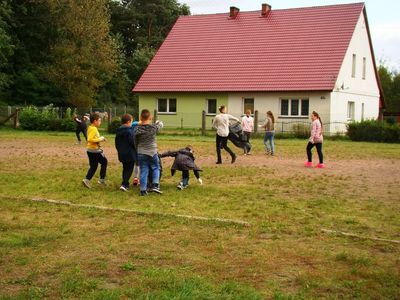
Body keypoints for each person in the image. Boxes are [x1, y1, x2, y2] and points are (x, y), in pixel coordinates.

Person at [134, 109, 163, 196]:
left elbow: (135, 142)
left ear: (140, 117)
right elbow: (161, 125)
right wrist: (158, 121)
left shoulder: (136, 129)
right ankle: (155, 184)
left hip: (141, 152)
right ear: (150, 117)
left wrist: (137, 150)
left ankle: (143, 190)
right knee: (156, 167)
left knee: (143, 170)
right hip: (152, 151)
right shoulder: (153, 127)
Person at [82, 113, 107, 188]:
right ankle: (101, 180)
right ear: (95, 121)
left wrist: (100, 138)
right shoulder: (94, 129)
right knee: (104, 162)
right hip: (95, 151)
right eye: (99, 120)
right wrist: (100, 139)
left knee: (93, 166)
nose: (100, 122)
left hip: (90, 150)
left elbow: (93, 138)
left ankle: (86, 180)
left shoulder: (90, 127)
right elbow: (89, 139)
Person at [115, 114, 137, 192]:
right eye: (131, 121)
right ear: (128, 122)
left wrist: (119, 150)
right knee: (129, 169)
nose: (131, 123)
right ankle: (124, 184)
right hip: (130, 154)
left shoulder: (118, 131)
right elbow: (133, 142)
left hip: (121, 153)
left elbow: (116, 143)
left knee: (125, 168)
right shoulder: (129, 131)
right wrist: (136, 149)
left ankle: (124, 183)